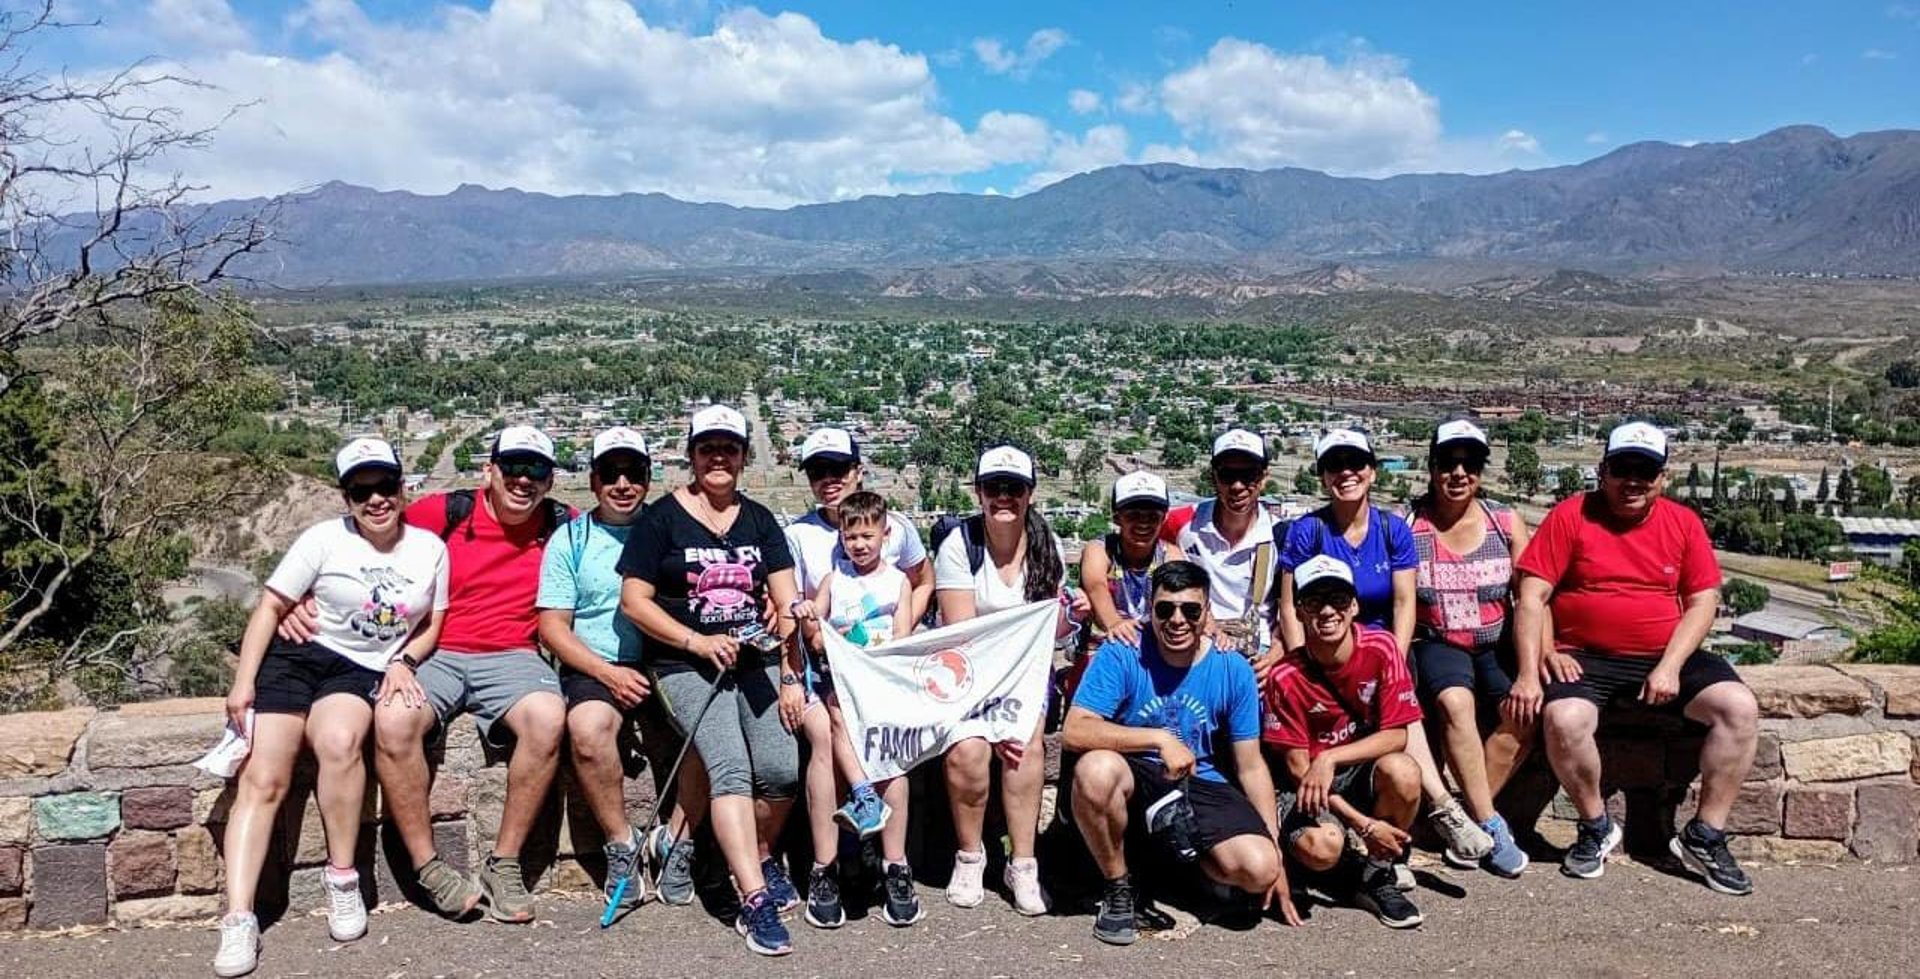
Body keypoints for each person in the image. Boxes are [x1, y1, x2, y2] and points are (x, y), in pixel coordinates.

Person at [277, 426, 574, 925]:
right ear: (490, 471)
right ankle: (427, 866)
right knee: (393, 720)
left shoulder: (563, 524)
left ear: (549, 480)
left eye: (536, 470)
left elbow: (622, 546)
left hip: (514, 654)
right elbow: (363, 539)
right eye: (513, 467)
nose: (523, 480)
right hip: (434, 650)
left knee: (548, 718)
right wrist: (299, 596)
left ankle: (503, 864)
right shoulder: (446, 512)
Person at [215, 438, 447, 978]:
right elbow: (270, 607)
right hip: (296, 658)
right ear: (346, 499)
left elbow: (432, 624)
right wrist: (243, 683)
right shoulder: (322, 539)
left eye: (384, 486)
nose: (376, 500)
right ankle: (239, 917)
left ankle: (342, 879)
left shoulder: (430, 549)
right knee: (264, 777)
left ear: (402, 488)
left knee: (340, 743)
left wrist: (403, 661)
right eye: (360, 492)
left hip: (360, 668)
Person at [1508, 422, 1759, 895]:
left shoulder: (1683, 523)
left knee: (1739, 708)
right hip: (1584, 657)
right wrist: (1534, 665)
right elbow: (1532, 595)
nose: (1633, 481)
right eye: (1623, 468)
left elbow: (1702, 601)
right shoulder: (1571, 515)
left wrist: (1669, 666)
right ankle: (1595, 825)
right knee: (1564, 719)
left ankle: (1706, 835)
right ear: (1603, 471)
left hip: (1665, 655)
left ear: (1663, 477)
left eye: (1645, 471)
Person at [618, 404, 807, 956]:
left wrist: (790, 667)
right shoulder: (662, 520)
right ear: (692, 455)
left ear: (744, 457)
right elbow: (635, 601)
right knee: (731, 767)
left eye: (729, 448)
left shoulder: (760, 520)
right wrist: (695, 641)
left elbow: (787, 601)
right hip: (684, 664)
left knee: (780, 768)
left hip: (754, 659)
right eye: (708, 448)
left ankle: (757, 854)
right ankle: (753, 898)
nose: (718, 458)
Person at [1273, 428, 1492, 869]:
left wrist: (1393, 655)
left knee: (1399, 705)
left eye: (1356, 463)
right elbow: (1290, 604)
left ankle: (1433, 815)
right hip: (1321, 648)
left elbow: (1404, 602)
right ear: (1322, 476)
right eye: (1335, 465)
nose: (1346, 473)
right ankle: (1443, 805)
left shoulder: (1391, 529)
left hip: (1381, 648)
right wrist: (1303, 664)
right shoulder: (1309, 530)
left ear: (1372, 471)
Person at [1065, 560, 1287, 946]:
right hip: (1136, 775)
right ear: (1150, 610)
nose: (1177, 620)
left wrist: (1276, 847)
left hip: (1197, 782)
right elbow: (1075, 730)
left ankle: (1180, 868)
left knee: (1260, 868)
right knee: (1097, 769)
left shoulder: (1232, 667)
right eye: (1165, 609)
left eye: (1191, 610)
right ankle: (1119, 887)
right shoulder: (1123, 652)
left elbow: (1251, 765)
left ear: (1207, 612)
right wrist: (1158, 739)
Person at [780, 427, 931, 928]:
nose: (829, 479)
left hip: (879, 673)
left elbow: (918, 584)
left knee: (889, 745)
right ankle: (824, 868)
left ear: (857, 471)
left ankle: (895, 865)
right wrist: (800, 659)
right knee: (826, 735)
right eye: (818, 471)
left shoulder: (898, 531)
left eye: (838, 469)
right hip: (827, 671)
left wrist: (895, 641)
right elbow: (794, 610)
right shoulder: (801, 537)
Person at [934, 445, 1073, 916]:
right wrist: (990, 712)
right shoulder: (960, 546)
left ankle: (1024, 862)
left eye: (1014, 488)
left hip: (1027, 676)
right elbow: (960, 636)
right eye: (994, 487)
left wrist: (1073, 618)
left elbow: (1051, 631)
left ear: (1030, 494)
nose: (1004, 497)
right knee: (968, 749)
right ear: (979, 493)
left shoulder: (1047, 547)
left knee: (1025, 745)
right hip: (969, 676)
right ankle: (970, 855)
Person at [1404, 420, 1538, 877]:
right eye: (1448, 463)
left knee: (1526, 712)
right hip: (1438, 640)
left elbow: (1530, 597)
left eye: (1470, 463)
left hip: (1496, 640)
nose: (1459, 473)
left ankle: (1463, 817)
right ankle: (1489, 824)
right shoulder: (1409, 524)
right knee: (1454, 702)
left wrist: (1533, 669)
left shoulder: (1505, 523)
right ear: (1431, 467)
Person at [1264, 556, 1426, 930]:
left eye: (1337, 599)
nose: (1326, 611)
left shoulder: (1382, 648)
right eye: (1313, 602)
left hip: (1351, 769)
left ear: (1354, 606)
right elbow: (1298, 769)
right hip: (1306, 785)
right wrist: (1365, 825)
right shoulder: (1284, 676)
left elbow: (1397, 734)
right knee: (1323, 848)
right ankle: (1346, 868)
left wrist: (1331, 758)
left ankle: (1378, 871)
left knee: (1404, 771)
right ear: (1299, 612)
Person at [535, 426, 653, 914]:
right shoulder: (571, 539)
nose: (622, 484)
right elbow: (553, 626)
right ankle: (622, 844)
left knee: (710, 728)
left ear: (648, 478)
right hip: (596, 661)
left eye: (633, 473)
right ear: (593, 481)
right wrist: (608, 674)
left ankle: (680, 839)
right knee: (586, 731)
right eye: (610, 474)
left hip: (663, 659)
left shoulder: (666, 528)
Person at [1166, 429, 1282, 656]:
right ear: (1214, 478)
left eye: (1248, 475)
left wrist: (1280, 647)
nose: (1237, 486)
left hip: (1259, 648)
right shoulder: (1182, 523)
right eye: (1227, 475)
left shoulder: (1279, 534)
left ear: (1264, 478)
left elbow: (1291, 607)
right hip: (1198, 640)